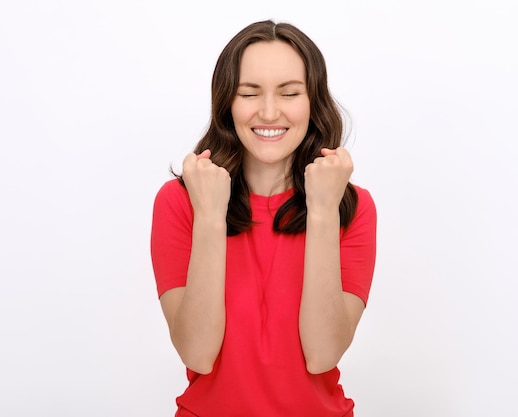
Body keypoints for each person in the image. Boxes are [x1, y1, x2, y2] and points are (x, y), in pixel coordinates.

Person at [150, 19, 377, 417]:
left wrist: (322, 211)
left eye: (289, 93)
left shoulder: (350, 206)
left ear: (313, 103)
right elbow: (198, 354)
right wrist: (210, 216)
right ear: (227, 103)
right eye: (249, 93)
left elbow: (322, 354)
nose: (269, 112)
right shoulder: (180, 202)